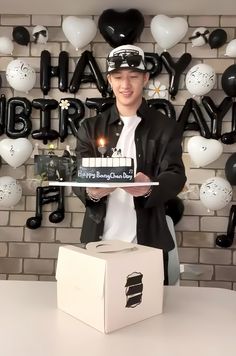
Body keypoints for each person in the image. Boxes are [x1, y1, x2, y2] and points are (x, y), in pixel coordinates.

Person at [73, 44, 186, 284]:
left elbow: (175, 174)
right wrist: (91, 192)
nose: (125, 85)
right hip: (99, 241)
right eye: (118, 77)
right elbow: (78, 174)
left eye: (133, 77)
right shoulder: (90, 128)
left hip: (150, 244)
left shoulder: (165, 127)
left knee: (150, 314)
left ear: (145, 78)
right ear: (109, 80)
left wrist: (150, 187)